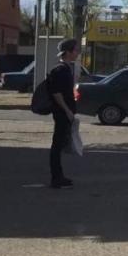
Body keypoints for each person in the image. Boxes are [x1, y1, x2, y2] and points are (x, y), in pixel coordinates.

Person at [47, 39, 79, 189]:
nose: (77, 52)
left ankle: (59, 176)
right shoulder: (60, 70)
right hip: (61, 113)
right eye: (75, 50)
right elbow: (56, 93)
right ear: (67, 52)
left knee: (59, 144)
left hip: (65, 112)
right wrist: (67, 111)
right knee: (57, 145)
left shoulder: (67, 68)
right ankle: (56, 178)